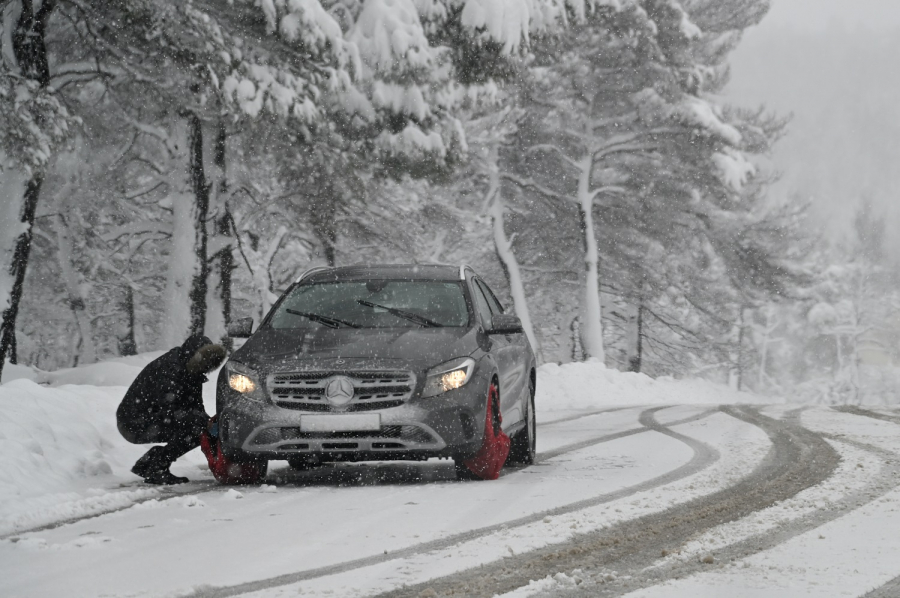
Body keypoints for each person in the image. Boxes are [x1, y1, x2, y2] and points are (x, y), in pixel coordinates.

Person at [117, 334, 226, 484]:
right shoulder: (170, 369)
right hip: (133, 421)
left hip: (150, 417)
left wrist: (210, 424)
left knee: (201, 428)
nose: (207, 369)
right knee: (197, 429)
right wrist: (203, 422)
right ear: (195, 357)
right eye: (205, 362)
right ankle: (156, 466)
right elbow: (170, 410)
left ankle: (150, 463)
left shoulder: (192, 371)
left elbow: (195, 407)